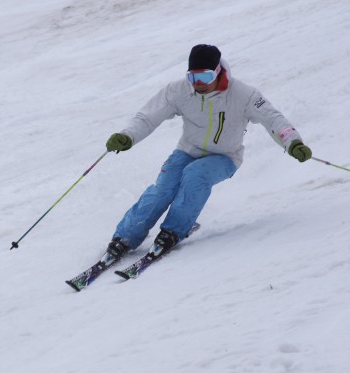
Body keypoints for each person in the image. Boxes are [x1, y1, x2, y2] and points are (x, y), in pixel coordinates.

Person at [103, 44, 312, 262]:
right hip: (187, 151)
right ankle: (125, 236)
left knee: (195, 176)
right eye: (193, 78)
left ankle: (172, 231)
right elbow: (148, 116)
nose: (199, 84)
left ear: (218, 71)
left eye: (205, 76)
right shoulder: (179, 91)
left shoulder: (243, 94)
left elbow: (273, 119)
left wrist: (293, 143)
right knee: (163, 188)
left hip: (225, 157)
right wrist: (127, 136)